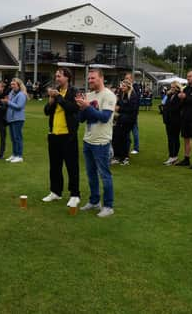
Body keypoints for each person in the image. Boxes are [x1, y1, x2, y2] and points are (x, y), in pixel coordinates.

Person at [76, 68, 117, 217]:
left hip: (101, 142)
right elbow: (81, 119)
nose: (90, 81)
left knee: (104, 175)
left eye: (93, 78)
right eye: (89, 78)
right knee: (91, 174)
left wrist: (87, 107)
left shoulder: (109, 96)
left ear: (101, 78)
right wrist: (81, 107)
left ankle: (108, 206)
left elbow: (105, 117)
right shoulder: (89, 95)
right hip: (88, 140)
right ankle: (94, 201)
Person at [42, 68, 81, 208]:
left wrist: (58, 97)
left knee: (72, 166)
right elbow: (46, 111)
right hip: (54, 135)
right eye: (56, 76)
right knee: (54, 166)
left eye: (59, 76)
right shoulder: (55, 92)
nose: (57, 78)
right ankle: (55, 192)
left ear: (67, 78)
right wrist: (52, 100)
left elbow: (73, 108)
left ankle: (75, 195)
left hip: (68, 136)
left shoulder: (73, 92)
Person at [112, 79, 139, 166]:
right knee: (116, 136)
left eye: (123, 86)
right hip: (120, 119)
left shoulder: (133, 96)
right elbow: (119, 104)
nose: (121, 87)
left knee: (124, 138)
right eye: (121, 86)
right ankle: (117, 156)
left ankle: (125, 157)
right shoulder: (121, 94)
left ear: (128, 87)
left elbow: (132, 110)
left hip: (128, 120)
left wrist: (119, 109)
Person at [3, 78, 27, 163]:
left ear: (19, 85)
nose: (12, 86)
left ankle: (19, 156)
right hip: (11, 119)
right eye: (11, 84)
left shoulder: (21, 94)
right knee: (13, 138)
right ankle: (14, 154)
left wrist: (8, 102)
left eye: (14, 84)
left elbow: (19, 106)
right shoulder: (11, 93)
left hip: (18, 119)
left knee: (17, 138)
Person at [162, 81, 182, 165]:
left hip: (175, 120)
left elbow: (176, 108)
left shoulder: (179, 96)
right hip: (168, 120)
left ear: (177, 88)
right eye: (171, 87)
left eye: (173, 87)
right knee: (171, 138)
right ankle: (172, 156)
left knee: (174, 138)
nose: (172, 89)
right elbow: (164, 104)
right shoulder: (170, 95)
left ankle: (173, 156)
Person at [124, 73, 141, 154]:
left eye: (127, 78)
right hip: (127, 113)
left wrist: (135, 112)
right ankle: (126, 147)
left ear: (132, 79)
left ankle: (136, 148)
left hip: (133, 113)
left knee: (134, 130)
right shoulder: (126, 87)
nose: (126, 79)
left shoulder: (135, 87)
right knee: (126, 130)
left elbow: (136, 101)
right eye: (125, 78)